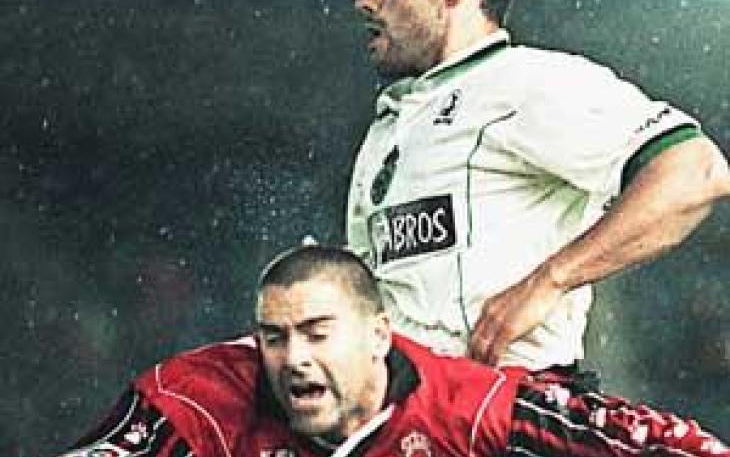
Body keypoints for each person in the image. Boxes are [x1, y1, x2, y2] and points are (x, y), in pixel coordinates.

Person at [346, 0, 730, 368]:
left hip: (509, 395)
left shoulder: (526, 80)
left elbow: (696, 170)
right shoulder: (391, 122)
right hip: (406, 401)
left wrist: (550, 280)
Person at [59, 245, 730, 457]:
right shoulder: (194, 400)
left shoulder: (469, 407)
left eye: (317, 332)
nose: (293, 358)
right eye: (274, 337)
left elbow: (658, 443)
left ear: (379, 335)